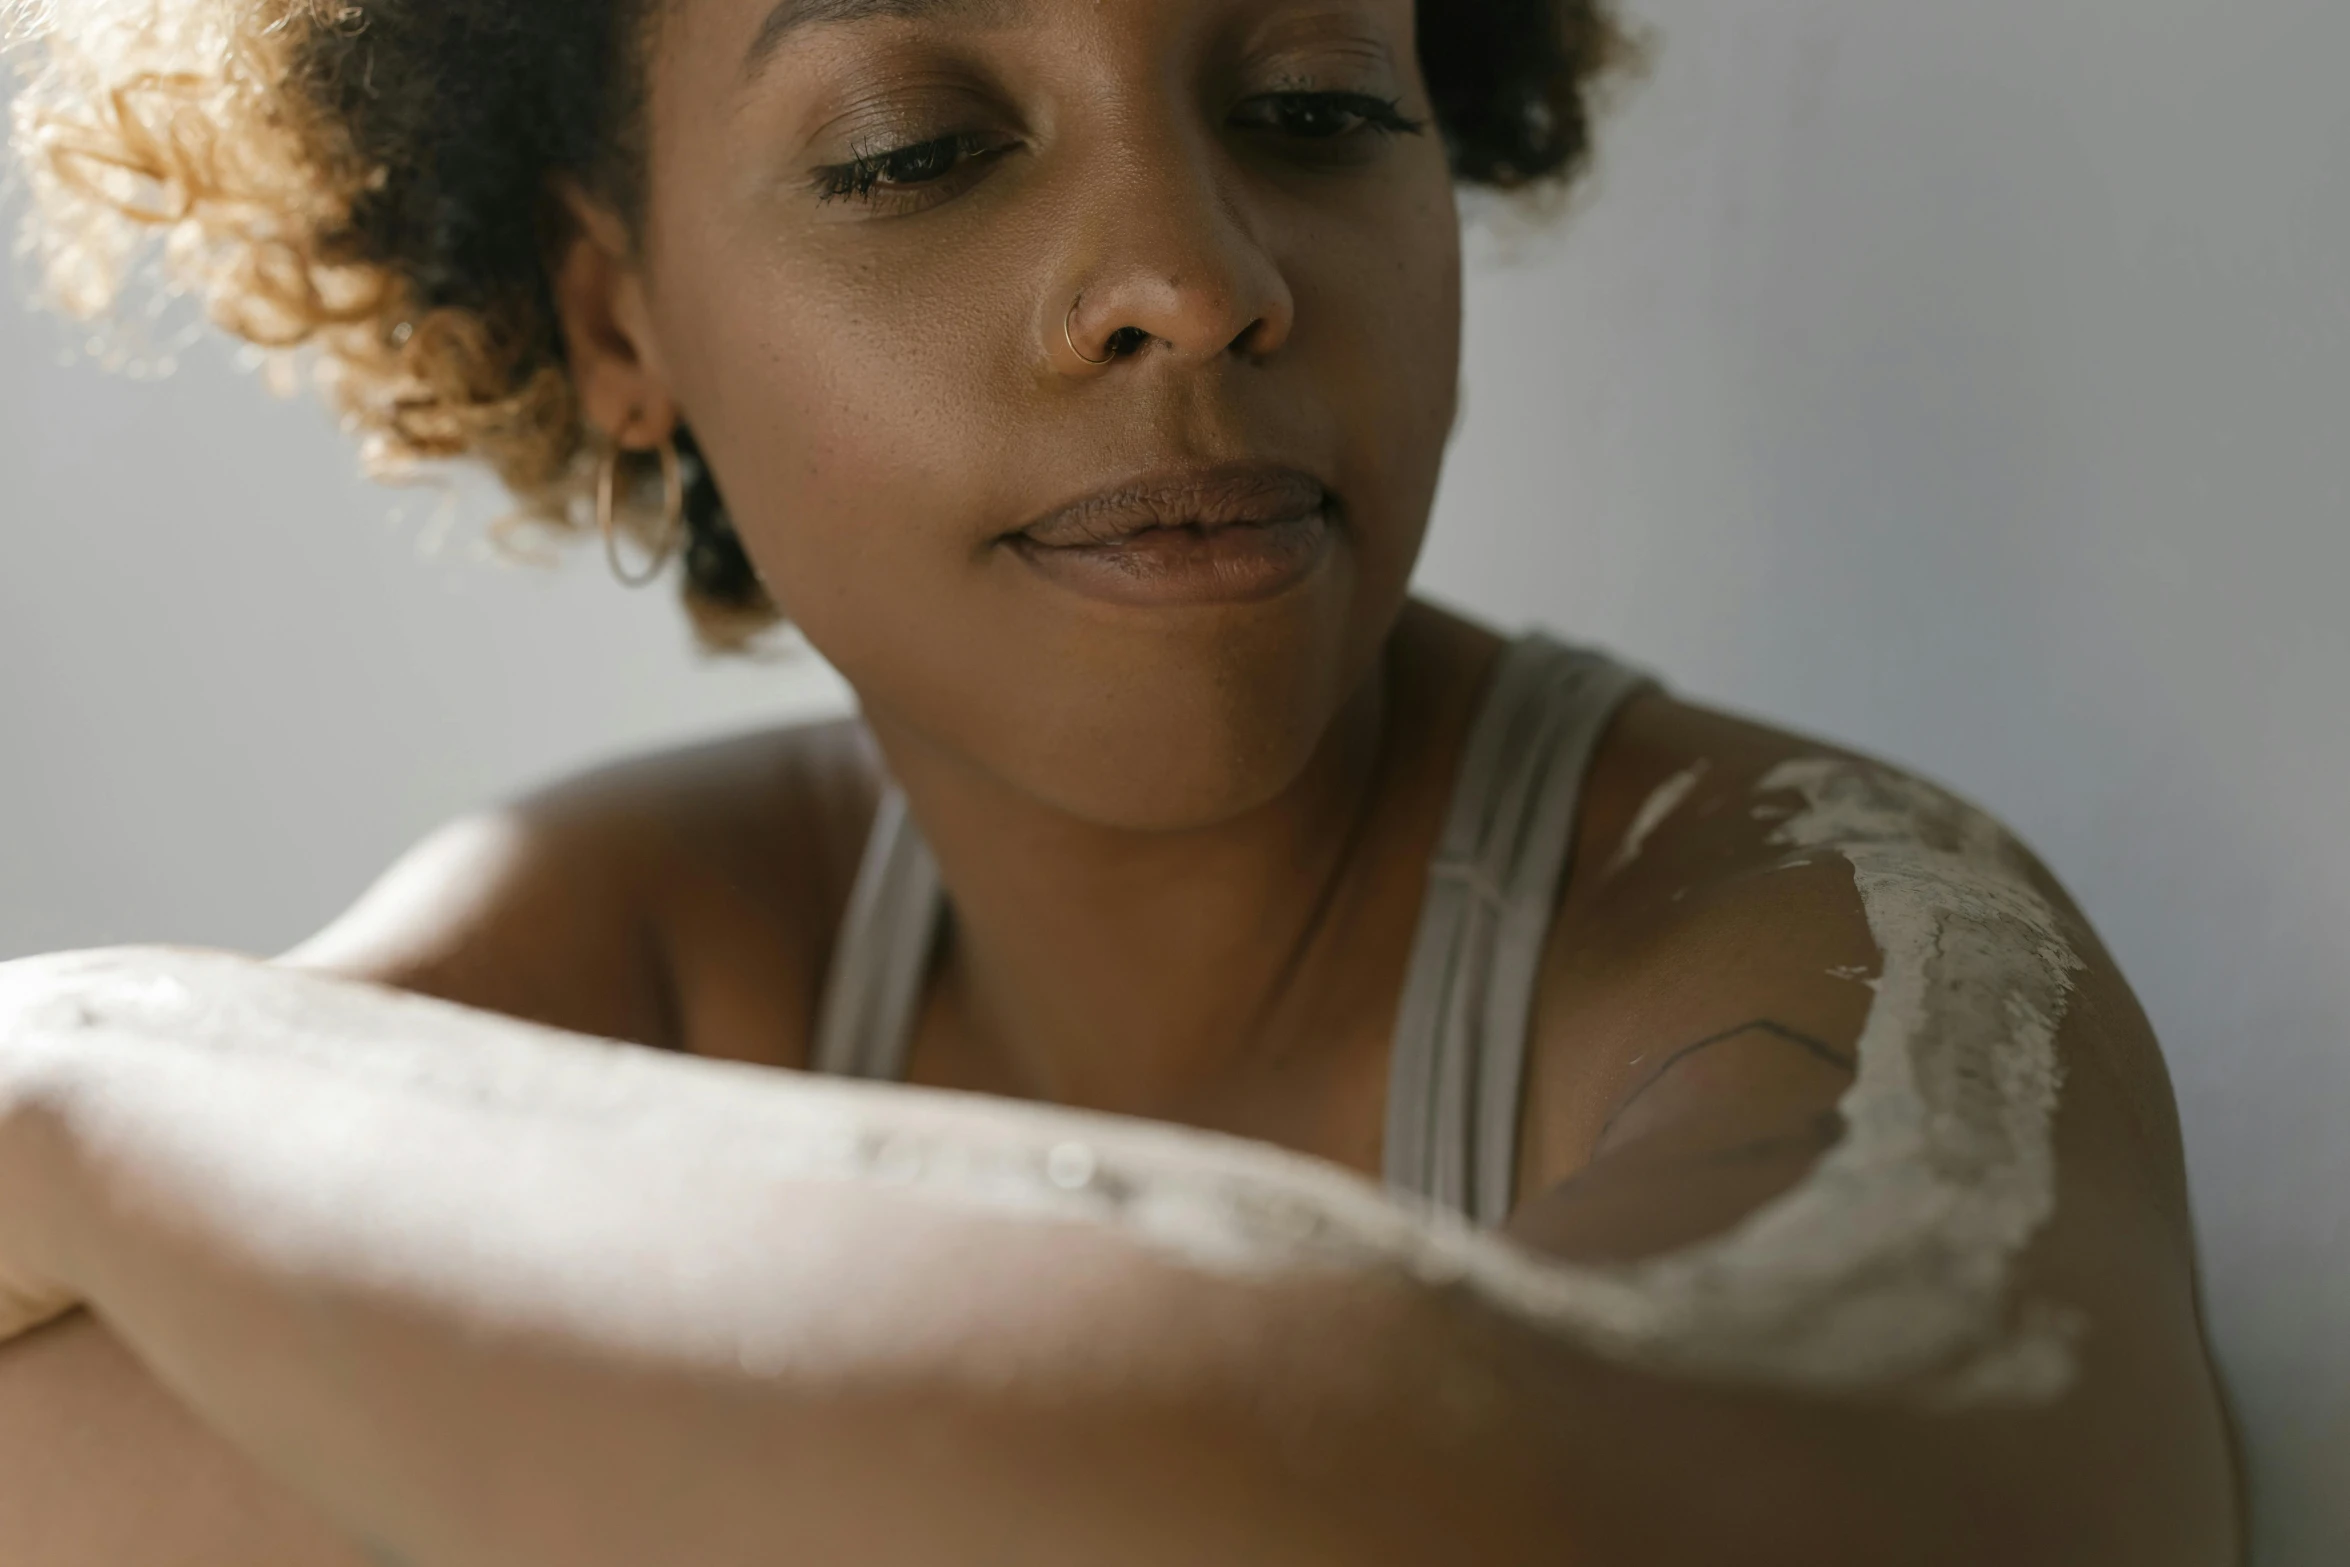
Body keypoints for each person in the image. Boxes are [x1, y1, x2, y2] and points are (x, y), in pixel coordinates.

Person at [0, 0, 2239, 1561]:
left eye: (1311, 102)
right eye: (917, 149)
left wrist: (108, 1066)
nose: (1192, 278)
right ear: (617, 325)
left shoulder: (1818, 922)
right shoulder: (656, 949)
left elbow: (1817, 1522)